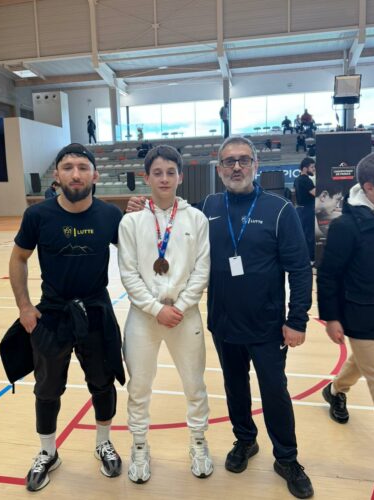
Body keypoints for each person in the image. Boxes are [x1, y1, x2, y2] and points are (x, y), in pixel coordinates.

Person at [127, 137, 314, 499]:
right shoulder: (209, 207)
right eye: (229, 162)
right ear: (220, 169)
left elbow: (300, 270)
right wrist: (143, 205)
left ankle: (287, 458)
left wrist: (297, 320)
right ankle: (245, 440)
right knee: (234, 386)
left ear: (255, 165)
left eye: (243, 160)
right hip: (224, 322)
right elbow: (172, 217)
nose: (236, 167)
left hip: (267, 324)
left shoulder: (279, 210)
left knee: (274, 391)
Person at [8, 143, 125, 492]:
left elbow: (137, 254)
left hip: (96, 311)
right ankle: (48, 452)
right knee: (46, 389)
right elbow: (18, 258)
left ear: (95, 175)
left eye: (83, 167)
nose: (76, 174)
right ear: (56, 175)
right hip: (53, 314)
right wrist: (25, 307)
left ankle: (103, 442)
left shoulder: (110, 215)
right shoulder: (38, 215)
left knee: (102, 382)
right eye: (68, 167)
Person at [118, 145, 212, 484]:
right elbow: (128, 273)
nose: (164, 178)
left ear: (180, 177)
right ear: (146, 177)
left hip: (185, 316)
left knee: (194, 383)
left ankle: (198, 441)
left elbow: (202, 270)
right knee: (139, 386)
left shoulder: (196, 218)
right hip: (144, 317)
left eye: (171, 172)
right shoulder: (131, 221)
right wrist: (157, 309)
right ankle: (139, 445)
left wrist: (180, 307)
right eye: (157, 173)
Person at [317, 151, 374, 486]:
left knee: (362, 361)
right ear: (369, 187)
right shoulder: (346, 226)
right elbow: (328, 275)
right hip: (356, 314)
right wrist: (331, 317)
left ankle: (335, 390)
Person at [294, 158, 316, 263]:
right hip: (307, 210)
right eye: (312, 167)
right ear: (304, 168)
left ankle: (305, 258)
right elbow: (316, 193)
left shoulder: (297, 180)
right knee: (310, 234)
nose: (314, 169)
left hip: (300, 210)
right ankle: (311, 259)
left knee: (304, 234)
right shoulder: (306, 180)